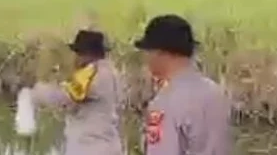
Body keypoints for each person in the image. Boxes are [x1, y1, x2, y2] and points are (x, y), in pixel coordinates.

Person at [134, 14, 232, 155]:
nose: (146, 58)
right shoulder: (216, 93)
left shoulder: (165, 103)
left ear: (160, 52)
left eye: (148, 51)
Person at [28, 30, 124, 155]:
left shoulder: (91, 74)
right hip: (109, 144)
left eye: (77, 54)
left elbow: (65, 98)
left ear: (86, 54)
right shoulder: (111, 72)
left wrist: (37, 91)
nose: (75, 58)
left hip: (91, 147)